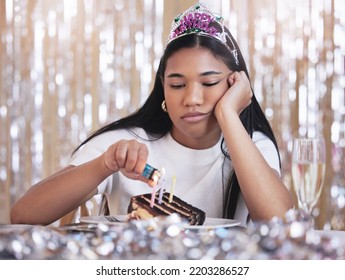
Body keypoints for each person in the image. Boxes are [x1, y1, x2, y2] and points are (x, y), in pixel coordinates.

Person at [10, 2, 293, 226]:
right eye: (178, 85)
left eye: (208, 83)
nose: (192, 98)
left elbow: (280, 223)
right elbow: (23, 214)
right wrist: (104, 164)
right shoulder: (126, 143)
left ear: (235, 84)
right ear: (163, 91)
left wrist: (229, 116)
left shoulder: (252, 146)